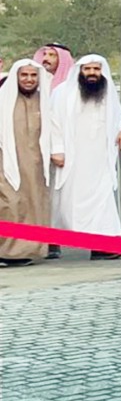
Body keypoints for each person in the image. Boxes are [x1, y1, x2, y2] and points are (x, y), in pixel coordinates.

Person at [49, 54, 121, 256]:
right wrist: (57, 149)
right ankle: (53, 242)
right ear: (80, 71)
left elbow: (117, 116)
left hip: (100, 159)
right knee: (64, 202)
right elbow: (53, 123)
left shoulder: (108, 92)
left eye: (96, 69)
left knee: (102, 199)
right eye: (88, 69)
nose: (92, 73)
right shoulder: (62, 93)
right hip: (71, 159)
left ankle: (102, 246)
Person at [0, 60, 57, 266]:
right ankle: (7, 251)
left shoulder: (45, 102)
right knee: (10, 204)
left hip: (35, 166)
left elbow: (56, 129)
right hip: (6, 163)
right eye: (24, 75)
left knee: (33, 205)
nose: (29, 80)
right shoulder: (3, 99)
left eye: (33, 76)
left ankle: (25, 251)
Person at [32, 42, 72, 259]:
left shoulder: (71, 87)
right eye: (44, 54)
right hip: (33, 148)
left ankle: (54, 241)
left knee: (58, 198)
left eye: (52, 55)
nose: (46, 59)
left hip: (63, 150)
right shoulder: (33, 83)